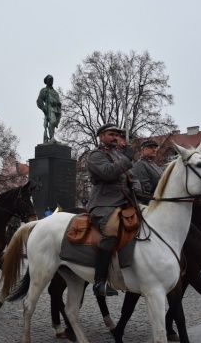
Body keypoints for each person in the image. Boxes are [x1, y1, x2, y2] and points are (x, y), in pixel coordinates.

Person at [87, 123, 135, 297]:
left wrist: (136, 188)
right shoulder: (95, 155)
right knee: (110, 230)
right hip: (104, 203)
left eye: (117, 135)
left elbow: (132, 177)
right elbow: (108, 173)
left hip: (126, 201)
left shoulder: (118, 155)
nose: (115, 137)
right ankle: (100, 281)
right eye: (111, 134)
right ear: (101, 137)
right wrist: (126, 159)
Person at [133, 140, 163, 204]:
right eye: (151, 147)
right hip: (149, 201)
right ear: (142, 150)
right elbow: (145, 187)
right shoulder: (140, 164)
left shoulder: (152, 164)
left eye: (155, 148)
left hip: (159, 197)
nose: (154, 150)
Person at [36, 74, 62, 144]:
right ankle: (52, 138)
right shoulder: (44, 90)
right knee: (52, 122)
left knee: (54, 123)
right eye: (49, 79)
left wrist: (59, 104)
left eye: (52, 79)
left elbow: (58, 101)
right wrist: (43, 108)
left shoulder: (55, 92)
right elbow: (39, 100)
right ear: (46, 81)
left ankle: (52, 137)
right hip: (49, 109)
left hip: (57, 110)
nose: (51, 81)